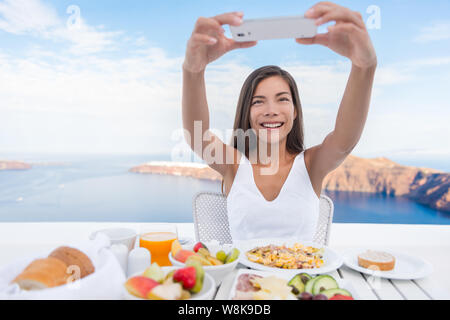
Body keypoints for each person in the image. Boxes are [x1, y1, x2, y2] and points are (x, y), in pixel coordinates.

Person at [182, 2, 377, 242]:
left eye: (282, 99)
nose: (271, 110)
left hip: (300, 279)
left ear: (295, 111)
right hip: (245, 279)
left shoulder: (311, 165)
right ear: (247, 113)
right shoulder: (233, 165)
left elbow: (345, 140)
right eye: (258, 102)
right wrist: (193, 71)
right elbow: (196, 135)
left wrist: (363, 67)